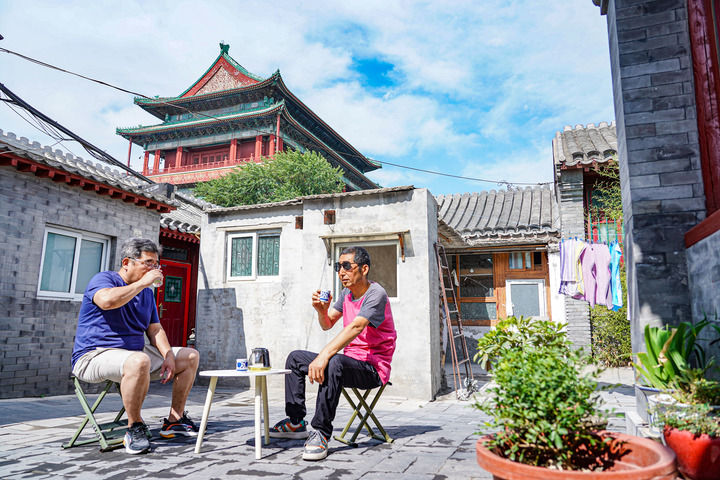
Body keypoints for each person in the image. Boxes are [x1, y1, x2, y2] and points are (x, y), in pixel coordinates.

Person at [71, 238, 200, 454]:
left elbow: (155, 329)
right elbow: (107, 301)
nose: (154, 268)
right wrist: (142, 283)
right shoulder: (104, 279)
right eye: (148, 263)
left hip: (134, 354)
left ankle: (174, 420)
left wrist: (168, 354)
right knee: (139, 360)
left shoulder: (147, 293)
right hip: (93, 355)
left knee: (190, 356)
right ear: (126, 262)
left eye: (156, 264)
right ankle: (134, 427)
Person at [269, 246, 397, 461]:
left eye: (347, 266)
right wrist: (321, 311)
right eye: (338, 266)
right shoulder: (346, 294)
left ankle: (321, 432)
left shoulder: (376, 294)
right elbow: (327, 324)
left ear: (364, 269)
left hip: (373, 369)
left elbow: (356, 327)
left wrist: (323, 356)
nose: (341, 272)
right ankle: (296, 421)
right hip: (348, 362)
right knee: (295, 358)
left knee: (334, 361)